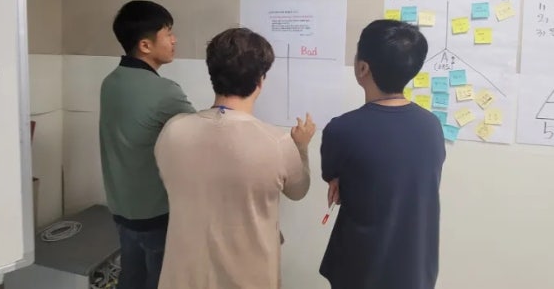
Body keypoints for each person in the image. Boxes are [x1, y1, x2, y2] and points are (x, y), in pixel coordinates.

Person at [154, 27, 314, 289]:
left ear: (212, 74)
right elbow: (299, 190)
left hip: (184, 276)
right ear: (260, 81)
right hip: (248, 279)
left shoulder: (173, 130)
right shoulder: (277, 142)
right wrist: (302, 147)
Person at [319, 19, 447, 289]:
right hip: (416, 268)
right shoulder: (432, 125)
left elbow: (336, 184)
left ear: (362, 68)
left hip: (361, 270)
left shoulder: (342, 129)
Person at [99, 0, 196, 289]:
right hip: (155, 213)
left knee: (131, 277)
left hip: (120, 208)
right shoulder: (164, 91)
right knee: (162, 281)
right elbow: (201, 136)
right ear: (145, 45)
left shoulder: (110, 82)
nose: (174, 40)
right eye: (168, 33)